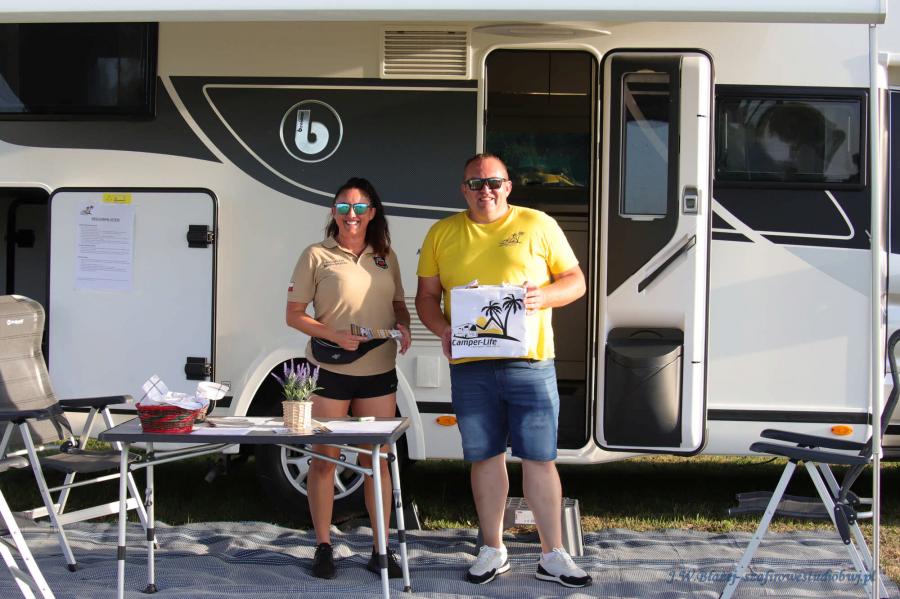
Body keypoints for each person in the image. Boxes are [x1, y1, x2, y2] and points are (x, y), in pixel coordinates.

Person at [415, 153, 591, 588]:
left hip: (530, 363)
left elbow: (576, 281)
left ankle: (553, 554)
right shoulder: (442, 233)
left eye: (493, 182)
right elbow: (426, 297)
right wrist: (443, 330)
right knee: (484, 457)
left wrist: (542, 297)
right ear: (464, 189)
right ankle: (493, 549)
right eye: (476, 183)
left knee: (540, 459)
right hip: (471, 367)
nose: (485, 191)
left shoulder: (538, 224)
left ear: (508, 186)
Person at [285, 177, 412, 580]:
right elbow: (294, 314)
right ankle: (323, 546)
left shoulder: (386, 256)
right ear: (334, 212)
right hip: (331, 369)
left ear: (372, 213)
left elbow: (398, 304)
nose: (351, 215)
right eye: (343, 207)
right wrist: (333, 334)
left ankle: (380, 549)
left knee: (376, 459)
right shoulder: (316, 254)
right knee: (325, 459)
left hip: (378, 370)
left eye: (359, 207)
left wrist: (405, 326)